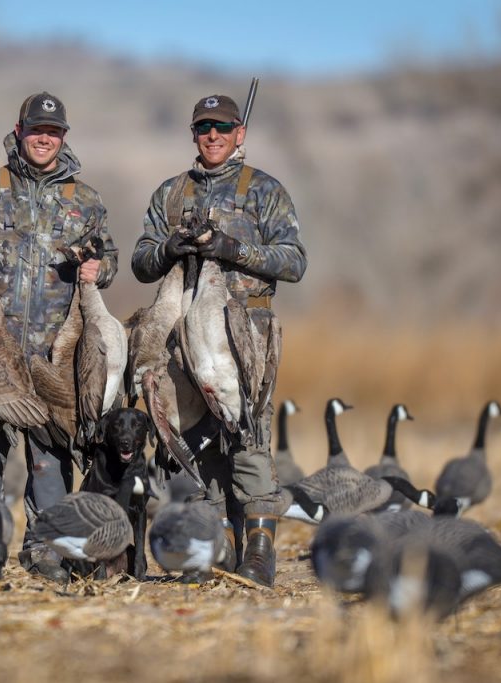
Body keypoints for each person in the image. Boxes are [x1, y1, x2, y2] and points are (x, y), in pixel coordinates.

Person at [131, 94, 307, 587]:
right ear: (192, 133)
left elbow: (293, 261)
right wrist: (170, 248)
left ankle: (259, 554)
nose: (213, 135)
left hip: (244, 339)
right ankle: (216, 547)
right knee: (196, 442)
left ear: (240, 133)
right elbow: (141, 261)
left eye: (223, 127)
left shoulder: (264, 191)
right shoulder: (170, 193)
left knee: (247, 440)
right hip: (181, 337)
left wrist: (235, 250)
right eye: (204, 127)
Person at [0, 92, 118, 582]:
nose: (45, 138)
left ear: (63, 137)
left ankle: (48, 552)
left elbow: (111, 260)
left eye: (54, 132)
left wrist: (99, 269)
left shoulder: (85, 200)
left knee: (51, 458)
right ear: (18, 130)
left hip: (52, 353)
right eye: (37, 130)